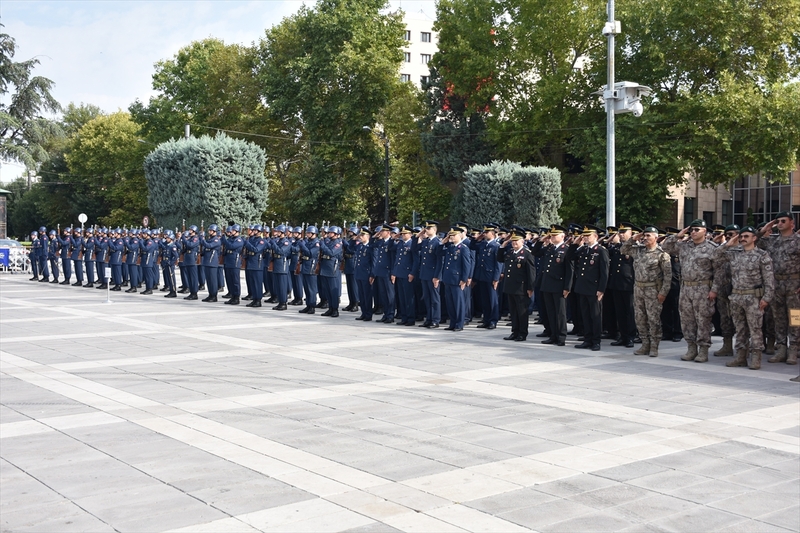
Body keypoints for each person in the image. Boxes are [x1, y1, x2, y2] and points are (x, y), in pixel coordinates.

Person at [712, 226, 775, 370]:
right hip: (736, 296)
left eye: (747, 236)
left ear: (754, 238)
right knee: (740, 329)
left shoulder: (762, 255)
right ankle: (740, 356)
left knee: (755, 329)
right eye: (742, 236)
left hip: (753, 297)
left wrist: (766, 298)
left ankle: (755, 357)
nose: (743, 238)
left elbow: (769, 280)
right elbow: (715, 256)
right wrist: (728, 244)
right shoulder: (734, 253)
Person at [662, 219, 718, 362]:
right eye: (691, 230)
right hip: (686, 288)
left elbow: (719, 271)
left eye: (696, 229)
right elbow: (665, 247)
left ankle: (703, 350)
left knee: (703, 320)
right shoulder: (684, 247)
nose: (693, 232)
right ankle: (691, 348)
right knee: (687, 320)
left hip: (703, 288)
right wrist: (678, 235)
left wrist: (714, 289)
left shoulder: (712, 248)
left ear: (704, 231)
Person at [621, 226, 672, 357]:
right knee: (640, 318)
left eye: (649, 235)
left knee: (653, 319)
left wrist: (663, 293)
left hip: (653, 290)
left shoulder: (662, 254)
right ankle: (645, 344)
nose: (645, 238)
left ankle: (654, 346)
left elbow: (668, 276)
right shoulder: (638, 251)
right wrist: (633, 238)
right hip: (638, 289)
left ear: (656, 237)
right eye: (644, 235)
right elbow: (623, 249)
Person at [757, 212, 800, 365]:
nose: (780, 224)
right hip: (776, 285)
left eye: (783, 221)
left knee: (795, 318)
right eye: (778, 221)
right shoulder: (773, 241)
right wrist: (767, 227)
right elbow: (756, 241)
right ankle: (781, 348)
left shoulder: (798, 241)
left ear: (792, 223)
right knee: (779, 318)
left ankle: (794, 349)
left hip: (793, 285)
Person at [532, 225, 574, 346]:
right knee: (550, 311)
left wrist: (567, 287)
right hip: (547, 285)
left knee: (560, 313)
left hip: (559, 286)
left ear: (562, 236)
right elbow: (535, 252)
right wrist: (541, 241)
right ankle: (553, 335)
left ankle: (561, 337)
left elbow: (569, 271)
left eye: (555, 235)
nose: (553, 237)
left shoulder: (566, 250)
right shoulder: (549, 249)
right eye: (552, 235)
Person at [571, 225, 610, 350]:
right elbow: (569, 257)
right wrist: (575, 244)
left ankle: (596, 341)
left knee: (595, 315)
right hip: (582, 287)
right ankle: (587, 339)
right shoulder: (583, 250)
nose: (586, 238)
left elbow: (604, 272)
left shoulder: (601, 250)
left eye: (588, 235)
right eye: (584, 235)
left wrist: (601, 289)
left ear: (595, 237)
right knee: (585, 315)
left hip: (594, 289)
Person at [498, 227, 536, 341]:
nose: (514, 243)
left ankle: (522, 333)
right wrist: (502, 246)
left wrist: (530, 288)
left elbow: (531, 273)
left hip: (521, 288)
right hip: (510, 287)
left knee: (522, 312)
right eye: (513, 241)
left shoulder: (527, 254)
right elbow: (499, 259)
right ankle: (514, 332)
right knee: (513, 312)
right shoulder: (510, 253)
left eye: (517, 241)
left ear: (522, 241)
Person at [712, 225, 739, 356]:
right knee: (725, 321)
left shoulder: (743, 250)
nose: (728, 237)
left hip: (739, 292)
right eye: (726, 235)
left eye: (731, 234)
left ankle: (743, 348)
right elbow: (714, 257)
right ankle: (727, 346)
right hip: (723, 292)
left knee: (742, 322)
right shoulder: (723, 251)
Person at [440, 225, 472, 331]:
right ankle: (452, 323)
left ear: (459, 235)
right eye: (450, 235)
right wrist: (443, 241)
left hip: (457, 280)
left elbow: (466, 265)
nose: (451, 237)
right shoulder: (450, 247)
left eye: (453, 235)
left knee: (458, 303)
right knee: (450, 303)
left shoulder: (463, 248)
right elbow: (438, 252)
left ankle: (459, 324)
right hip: (448, 279)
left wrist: (464, 279)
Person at [470, 224, 502, 330]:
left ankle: (493, 321)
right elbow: (472, 246)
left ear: (492, 234)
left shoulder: (496, 246)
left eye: (486, 232)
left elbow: (498, 264)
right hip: (482, 275)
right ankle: (486, 319)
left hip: (491, 276)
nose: (484, 234)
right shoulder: (483, 244)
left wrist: (496, 278)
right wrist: (477, 239)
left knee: (492, 300)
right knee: (485, 300)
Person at [415, 221, 443, 328]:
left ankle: (435, 320)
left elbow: (439, 261)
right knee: (427, 297)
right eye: (426, 228)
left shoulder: (437, 242)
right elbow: (415, 248)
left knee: (434, 298)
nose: (426, 230)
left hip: (433, 275)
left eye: (429, 228)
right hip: (424, 274)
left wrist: (437, 276)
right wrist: (418, 236)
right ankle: (429, 318)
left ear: (434, 230)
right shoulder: (426, 242)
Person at [392, 225, 416, 326]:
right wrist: (393, 238)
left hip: (407, 274)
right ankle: (404, 317)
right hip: (399, 273)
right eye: (402, 233)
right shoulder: (400, 244)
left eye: (405, 233)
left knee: (408, 297)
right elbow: (392, 250)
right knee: (402, 297)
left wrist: (412, 273)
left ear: (410, 234)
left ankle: (410, 318)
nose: (402, 235)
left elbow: (416, 260)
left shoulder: (412, 243)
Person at [318, 226, 344, 317]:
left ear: (336, 234)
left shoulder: (338, 244)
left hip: (332, 268)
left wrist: (323, 245)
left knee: (333, 291)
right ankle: (330, 308)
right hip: (325, 266)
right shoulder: (328, 241)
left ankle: (335, 309)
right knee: (327, 290)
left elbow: (331, 252)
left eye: (331, 233)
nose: (328, 234)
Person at [199, 224, 222, 302]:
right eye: (209, 230)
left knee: (213, 280)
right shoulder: (209, 239)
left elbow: (209, 246)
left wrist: (202, 239)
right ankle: (210, 294)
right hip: (207, 261)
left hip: (212, 262)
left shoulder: (216, 240)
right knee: (208, 280)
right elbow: (205, 248)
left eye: (211, 230)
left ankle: (214, 296)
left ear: (214, 231)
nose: (209, 232)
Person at [222, 224, 244, 305]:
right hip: (228, 261)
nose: (231, 232)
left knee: (235, 281)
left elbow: (231, 246)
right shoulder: (231, 239)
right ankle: (232, 296)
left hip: (235, 262)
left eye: (233, 231)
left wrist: (224, 240)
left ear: (237, 231)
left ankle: (236, 297)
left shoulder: (239, 240)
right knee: (230, 280)